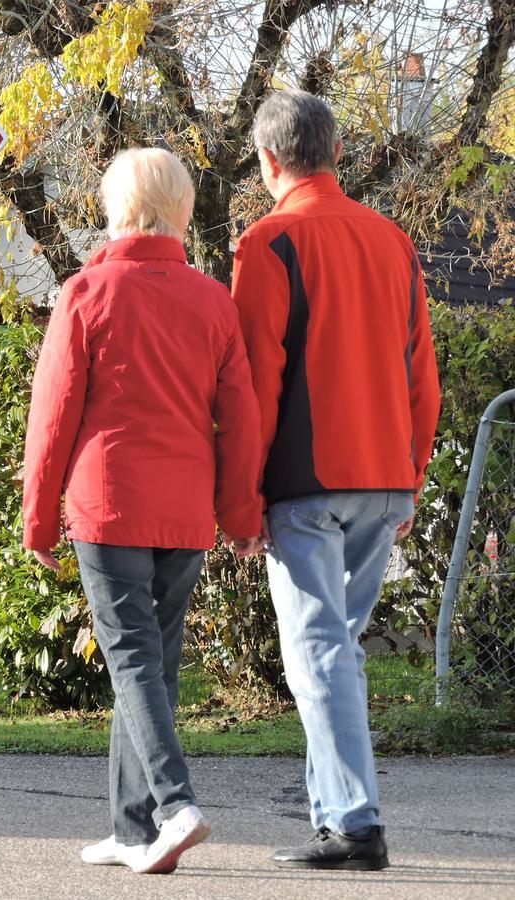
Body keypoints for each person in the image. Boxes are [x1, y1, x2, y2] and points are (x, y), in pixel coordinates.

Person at [23, 148, 263, 875]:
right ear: (182, 211)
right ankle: (133, 832)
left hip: (110, 505)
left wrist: (38, 518)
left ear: (115, 208)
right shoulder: (213, 301)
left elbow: (53, 415)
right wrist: (242, 517)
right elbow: (241, 420)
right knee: (153, 665)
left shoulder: (88, 292)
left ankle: (176, 805)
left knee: (132, 662)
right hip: (184, 512)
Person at [232, 90, 441, 870]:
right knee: (336, 649)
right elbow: (423, 373)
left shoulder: (268, 241)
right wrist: (412, 476)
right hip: (384, 481)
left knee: (318, 650)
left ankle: (356, 826)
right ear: (340, 155)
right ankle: (337, 819)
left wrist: (241, 498)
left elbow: (255, 382)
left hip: (308, 485)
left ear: (267, 161)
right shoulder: (393, 240)